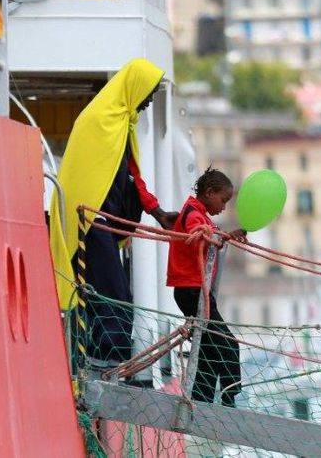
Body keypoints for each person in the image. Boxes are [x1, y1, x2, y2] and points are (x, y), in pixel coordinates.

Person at [49, 58, 177, 364]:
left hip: (102, 222)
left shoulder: (121, 122)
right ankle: (110, 356)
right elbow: (86, 175)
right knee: (113, 293)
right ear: (133, 88)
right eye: (146, 95)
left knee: (111, 290)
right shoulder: (100, 121)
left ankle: (104, 353)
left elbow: (133, 175)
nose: (147, 104)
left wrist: (157, 213)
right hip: (91, 221)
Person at [166, 167, 245, 407]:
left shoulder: (199, 215)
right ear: (209, 193)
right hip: (192, 292)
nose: (223, 207)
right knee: (227, 344)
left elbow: (208, 233)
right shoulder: (193, 215)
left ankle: (202, 398)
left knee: (209, 347)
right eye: (223, 200)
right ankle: (230, 397)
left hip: (192, 292)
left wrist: (226, 235)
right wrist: (208, 233)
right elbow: (196, 232)